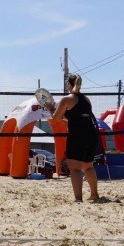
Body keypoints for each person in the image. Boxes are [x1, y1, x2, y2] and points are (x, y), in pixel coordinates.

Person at [50, 74, 101, 202]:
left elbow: (56, 118)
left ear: (68, 84)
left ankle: (78, 198)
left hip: (78, 135)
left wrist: (51, 109)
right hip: (91, 135)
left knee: (75, 168)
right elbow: (75, 117)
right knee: (89, 167)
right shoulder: (86, 99)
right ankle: (94, 194)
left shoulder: (67, 99)